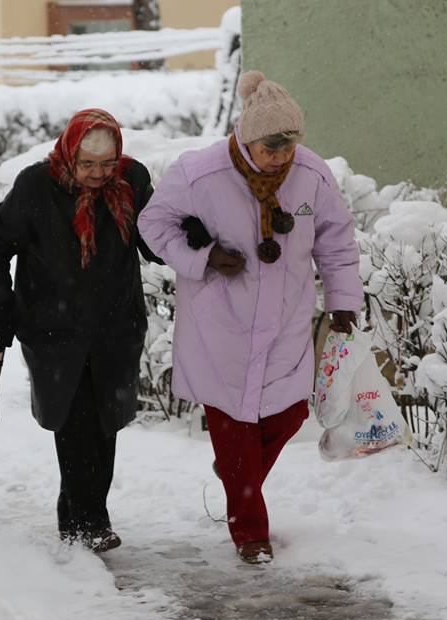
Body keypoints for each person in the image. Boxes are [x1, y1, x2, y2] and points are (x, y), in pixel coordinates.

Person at [138, 71, 362, 564]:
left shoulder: (312, 176)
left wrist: (343, 300)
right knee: (233, 421)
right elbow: (153, 225)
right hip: (221, 324)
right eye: (270, 146)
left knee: (289, 413)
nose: (281, 155)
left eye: (289, 144)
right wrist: (204, 257)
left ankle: (238, 473)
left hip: (286, 321)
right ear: (246, 136)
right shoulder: (200, 173)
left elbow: (336, 241)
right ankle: (251, 534)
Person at [0, 109, 162, 553]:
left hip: (116, 326)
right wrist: (0, 301)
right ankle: (86, 524)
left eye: (107, 164)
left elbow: (154, 239)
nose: (98, 175)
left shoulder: (132, 181)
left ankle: (85, 516)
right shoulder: (37, 186)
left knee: (105, 425)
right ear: (69, 153)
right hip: (54, 328)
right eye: (88, 165)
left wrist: (191, 235)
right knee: (74, 423)